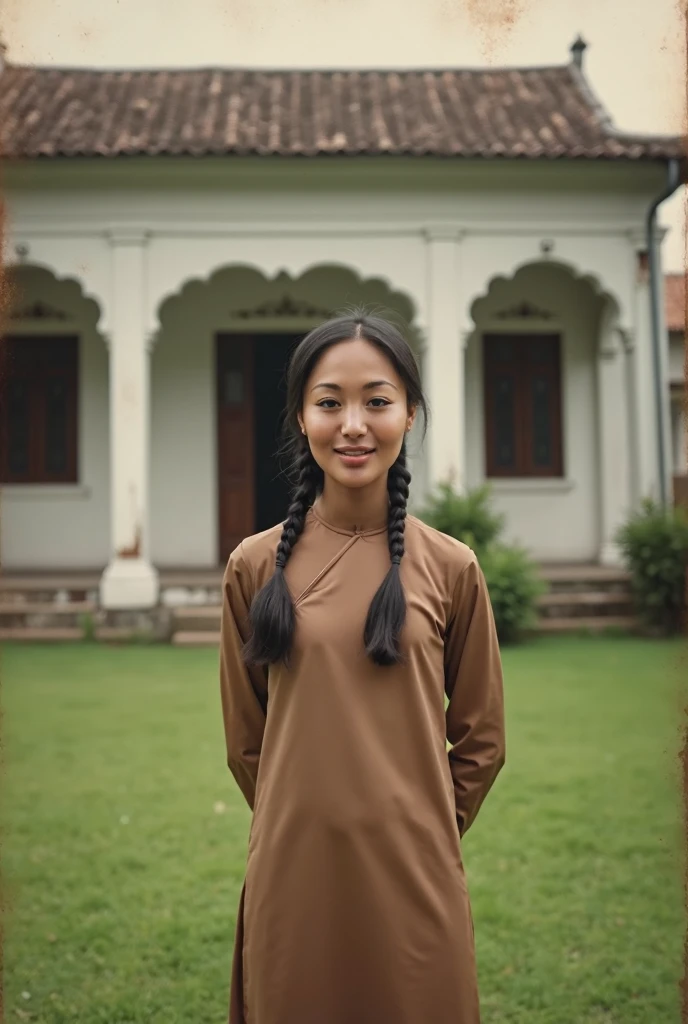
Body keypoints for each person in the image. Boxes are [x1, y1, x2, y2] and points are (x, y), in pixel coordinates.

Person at [219, 308, 506, 1024]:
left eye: (377, 401)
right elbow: (245, 740)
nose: (353, 424)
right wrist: (307, 818)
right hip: (294, 871)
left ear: (410, 414)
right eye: (329, 403)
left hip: (415, 873)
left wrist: (418, 826)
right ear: (301, 417)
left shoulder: (451, 567)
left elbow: (482, 741)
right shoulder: (254, 568)